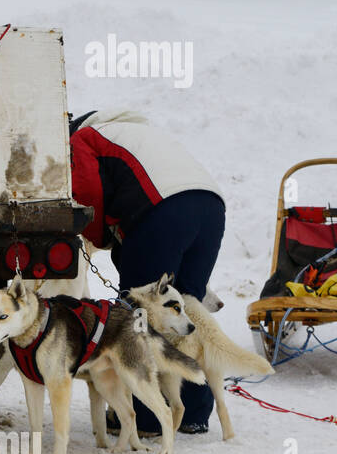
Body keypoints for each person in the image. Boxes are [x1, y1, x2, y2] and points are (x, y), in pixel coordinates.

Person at [69, 109, 225, 435]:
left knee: (139, 318)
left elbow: (88, 194)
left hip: (162, 210)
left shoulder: (83, 138)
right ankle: (195, 411)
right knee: (185, 306)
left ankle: (148, 417)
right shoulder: (142, 133)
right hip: (210, 206)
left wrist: (96, 236)